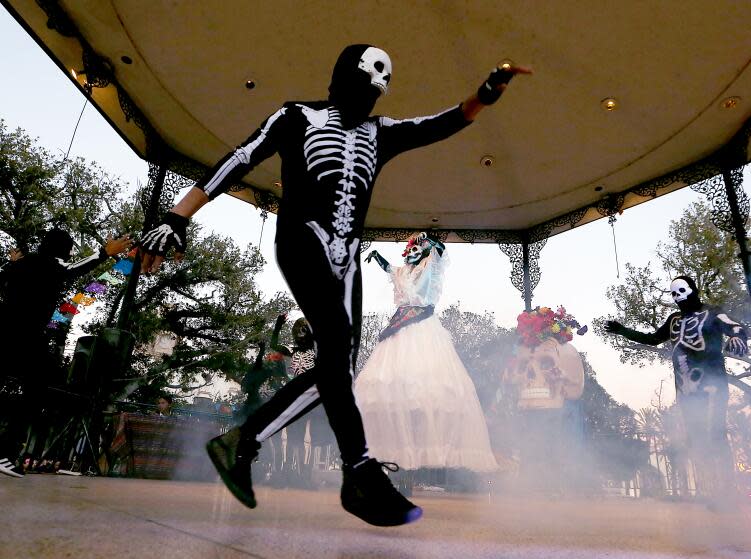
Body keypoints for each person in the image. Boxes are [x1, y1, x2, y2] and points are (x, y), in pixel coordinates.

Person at [139, 43, 530, 526]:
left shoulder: (381, 132)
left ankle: (242, 440)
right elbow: (239, 158)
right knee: (338, 350)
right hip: (302, 240)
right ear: (343, 78)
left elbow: (443, 123)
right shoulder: (295, 116)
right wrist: (178, 215)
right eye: (365, 82)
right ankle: (359, 471)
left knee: (337, 369)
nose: (370, 95)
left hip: (346, 259)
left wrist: (488, 91)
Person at [356, 233, 498, 476]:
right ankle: (398, 461)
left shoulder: (431, 265)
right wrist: (377, 257)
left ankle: (421, 459)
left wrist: (429, 239)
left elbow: (440, 249)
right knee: (392, 388)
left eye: (415, 249)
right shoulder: (403, 272)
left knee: (427, 390)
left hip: (424, 326)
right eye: (409, 251)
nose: (411, 253)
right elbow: (390, 268)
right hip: (399, 329)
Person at [0, 229, 131, 478]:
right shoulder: (50, 265)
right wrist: (105, 252)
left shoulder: (20, 265)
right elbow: (74, 269)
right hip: (27, 337)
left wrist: (11, 265)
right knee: (35, 392)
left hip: (6, 330)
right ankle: (5, 453)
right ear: (62, 249)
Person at [604, 276, 748, 501]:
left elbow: (735, 326)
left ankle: (727, 492)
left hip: (711, 383)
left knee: (715, 434)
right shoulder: (673, 321)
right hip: (685, 389)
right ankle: (708, 490)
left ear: (693, 290)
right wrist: (623, 331)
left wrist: (739, 339)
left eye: (682, 290)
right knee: (696, 438)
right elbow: (652, 339)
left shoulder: (712, 313)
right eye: (674, 293)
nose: (678, 296)